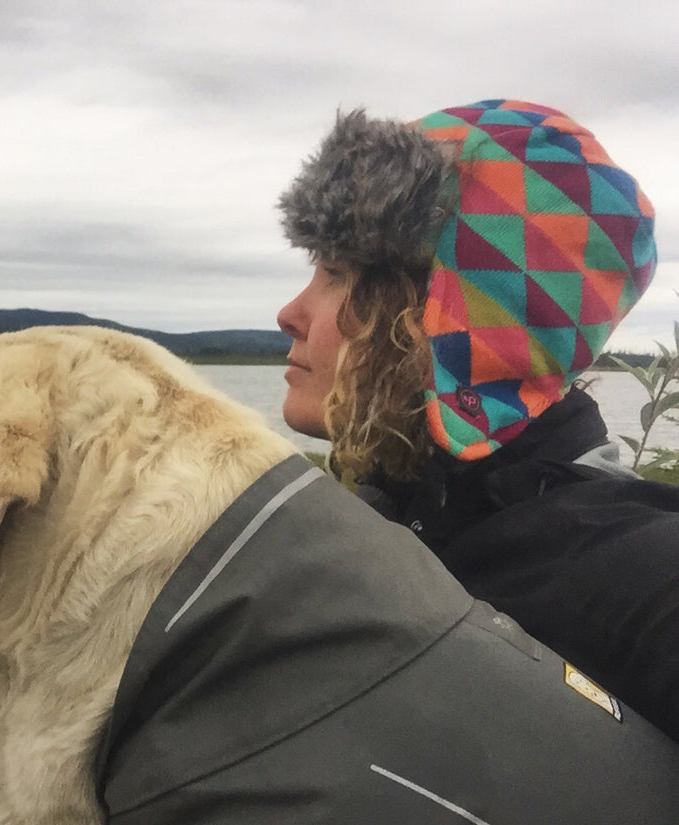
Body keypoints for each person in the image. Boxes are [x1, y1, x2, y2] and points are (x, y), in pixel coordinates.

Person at [275, 99, 679, 742]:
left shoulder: (636, 573)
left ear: (461, 320)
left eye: (336, 273)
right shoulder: (378, 518)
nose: (289, 313)